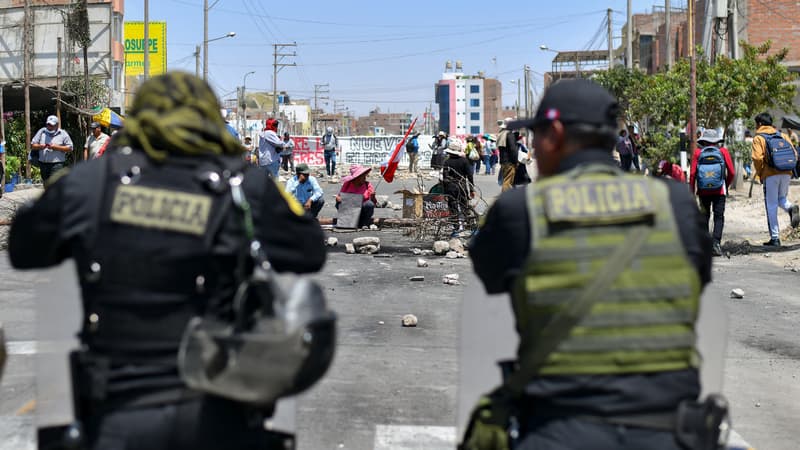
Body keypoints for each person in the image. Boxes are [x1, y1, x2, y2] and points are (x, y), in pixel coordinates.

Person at [8, 72, 328, 450]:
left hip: (115, 409)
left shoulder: (91, 182)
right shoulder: (241, 185)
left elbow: (24, 247)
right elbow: (309, 250)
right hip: (219, 406)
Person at [467, 79, 715, 450]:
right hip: (671, 432)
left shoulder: (521, 210)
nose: (533, 148)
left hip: (559, 430)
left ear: (555, 133)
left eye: (536, 136)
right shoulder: (675, 203)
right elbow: (700, 277)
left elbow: (489, 275)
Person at [751, 112, 800, 246]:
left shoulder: (758, 138)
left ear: (759, 124)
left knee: (771, 204)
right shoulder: (783, 135)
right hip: (787, 172)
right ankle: (791, 208)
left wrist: (761, 173)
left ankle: (775, 238)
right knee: (781, 198)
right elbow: (795, 154)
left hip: (770, 174)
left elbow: (757, 158)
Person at [690, 129, 735, 257]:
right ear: (716, 141)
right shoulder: (723, 151)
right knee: (718, 216)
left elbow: (692, 174)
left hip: (703, 190)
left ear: (703, 141)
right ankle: (716, 244)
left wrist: (691, 191)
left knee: (704, 216)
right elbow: (732, 172)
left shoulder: (698, 153)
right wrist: (725, 184)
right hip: (720, 190)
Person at [31, 115, 74, 182]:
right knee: (46, 184)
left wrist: (56, 147)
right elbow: (33, 145)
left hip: (57, 164)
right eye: (48, 124)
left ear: (57, 125)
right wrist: (41, 146)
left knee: (54, 184)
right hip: (43, 164)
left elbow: (70, 148)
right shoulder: (42, 131)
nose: (49, 127)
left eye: (52, 125)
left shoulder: (63, 133)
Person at [442, 147, 475, 234]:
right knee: (464, 206)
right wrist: (472, 189)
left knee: (453, 207)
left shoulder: (447, 162)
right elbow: (470, 176)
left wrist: (445, 192)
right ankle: (468, 225)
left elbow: (445, 178)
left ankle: (456, 227)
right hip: (462, 187)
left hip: (450, 187)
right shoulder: (464, 161)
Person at [497, 118, 517, 192]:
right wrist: (516, 161)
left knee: (506, 180)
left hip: (503, 161)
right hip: (509, 162)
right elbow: (513, 149)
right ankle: (505, 196)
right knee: (508, 182)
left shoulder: (501, 133)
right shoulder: (509, 134)